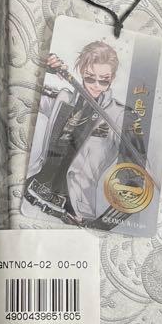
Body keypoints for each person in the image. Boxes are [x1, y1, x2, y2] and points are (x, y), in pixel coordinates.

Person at [26, 41, 128, 224]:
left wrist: (104, 224)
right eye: (90, 78)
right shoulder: (63, 99)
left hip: (71, 216)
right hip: (28, 197)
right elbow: (21, 90)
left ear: (112, 78)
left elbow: (135, 179)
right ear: (81, 72)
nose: (96, 85)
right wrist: (42, 66)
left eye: (104, 80)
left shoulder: (118, 115)